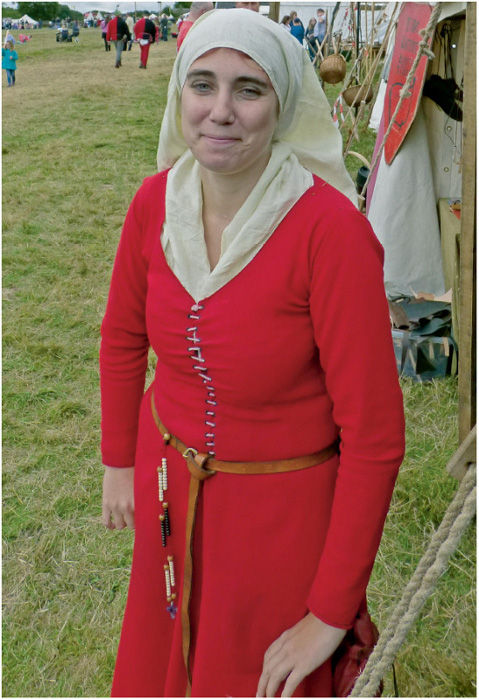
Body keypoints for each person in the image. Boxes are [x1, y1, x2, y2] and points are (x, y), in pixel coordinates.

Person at [100, 8, 404, 697]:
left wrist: (327, 615)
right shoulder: (154, 204)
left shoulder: (329, 232)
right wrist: (119, 460)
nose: (221, 111)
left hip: (282, 517)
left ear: (282, 105)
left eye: (249, 89)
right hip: (168, 484)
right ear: (179, 96)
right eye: (202, 85)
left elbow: (375, 437)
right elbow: (121, 337)